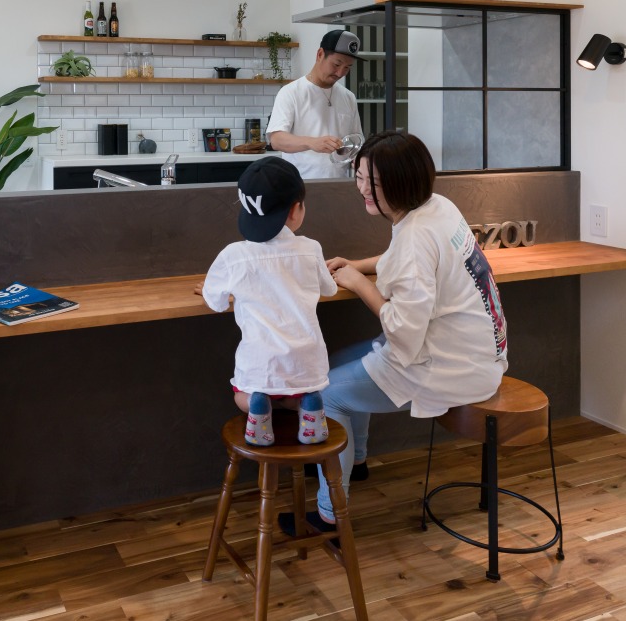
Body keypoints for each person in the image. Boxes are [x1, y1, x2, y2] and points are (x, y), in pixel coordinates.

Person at [280, 130, 508, 537]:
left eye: (373, 183)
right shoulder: (437, 206)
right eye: (359, 177)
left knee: (325, 394)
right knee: (337, 365)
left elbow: (404, 333)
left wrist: (358, 284)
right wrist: (359, 265)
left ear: (401, 183)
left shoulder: (416, 236)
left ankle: (331, 516)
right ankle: (356, 461)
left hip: (449, 368)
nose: (362, 190)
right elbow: (403, 257)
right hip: (476, 351)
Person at [197, 157, 339, 447]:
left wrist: (225, 291)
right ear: (295, 210)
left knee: (243, 396)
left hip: (260, 366)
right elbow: (330, 289)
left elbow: (216, 302)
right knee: (296, 393)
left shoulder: (233, 255)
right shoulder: (311, 249)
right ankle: (310, 407)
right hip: (306, 366)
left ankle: (259, 409)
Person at [265, 29, 364, 180]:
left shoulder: (348, 97)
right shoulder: (291, 92)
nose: (340, 73)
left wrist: (358, 157)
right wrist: (311, 143)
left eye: (347, 68)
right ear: (320, 54)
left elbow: (356, 140)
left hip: (339, 184)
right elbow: (277, 140)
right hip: (299, 184)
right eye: (336, 64)